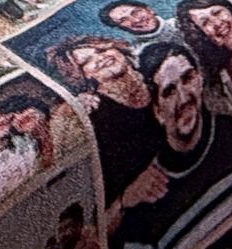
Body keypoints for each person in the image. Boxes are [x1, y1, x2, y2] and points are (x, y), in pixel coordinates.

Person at [113, 42, 232, 249]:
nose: (183, 98)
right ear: (158, 112)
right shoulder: (147, 197)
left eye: (188, 78)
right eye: (169, 91)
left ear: (200, 80)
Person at [47, 37, 165, 208]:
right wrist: (125, 198)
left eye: (102, 50)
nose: (100, 58)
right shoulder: (93, 114)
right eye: (87, 61)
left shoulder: (155, 76)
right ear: (84, 75)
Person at [173, 0, 232, 128]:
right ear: (201, 35)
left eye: (217, 13)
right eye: (205, 23)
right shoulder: (210, 87)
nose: (216, 23)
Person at [99, 0, 177, 49]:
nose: (136, 20)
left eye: (136, 12)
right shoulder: (140, 52)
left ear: (149, 9)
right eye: (123, 20)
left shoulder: (182, 22)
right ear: (120, 27)